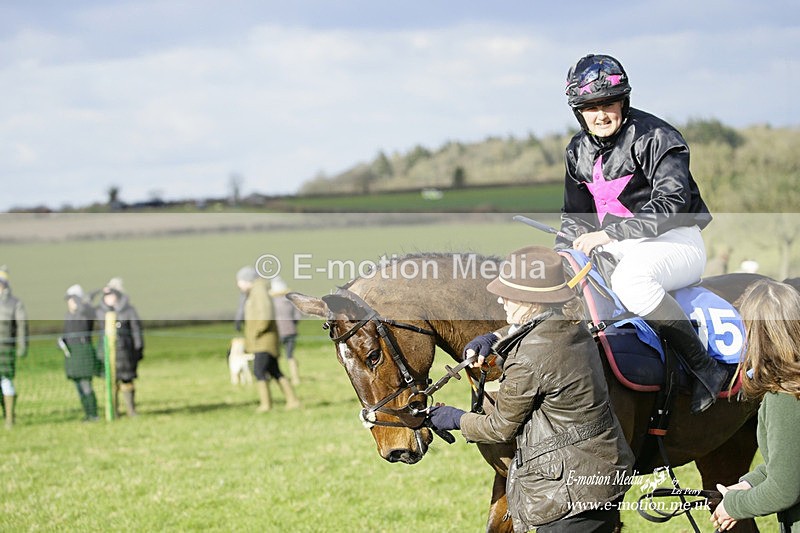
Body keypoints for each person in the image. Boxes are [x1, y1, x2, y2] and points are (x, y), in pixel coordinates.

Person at [556, 53, 726, 413]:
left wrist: (610, 234)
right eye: (590, 107)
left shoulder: (657, 136)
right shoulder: (577, 151)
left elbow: (673, 203)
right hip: (617, 251)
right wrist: (561, 254)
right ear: (578, 111)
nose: (600, 115)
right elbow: (574, 219)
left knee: (632, 281)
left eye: (608, 104)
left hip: (675, 243)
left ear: (623, 101)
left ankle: (704, 369)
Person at [428, 246, 634, 533]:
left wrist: (454, 418)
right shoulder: (573, 324)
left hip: (570, 493)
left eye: (509, 295)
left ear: (534, 301)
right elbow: (531, 332)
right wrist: (492, 338)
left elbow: (500, 428)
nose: (500, 300)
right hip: (602, 474)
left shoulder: (528, 359)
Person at [710, 279, 800, 532]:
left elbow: (784, 489)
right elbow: (790, 460)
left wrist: (734, 507)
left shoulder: (786, 396)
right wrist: (747, 484)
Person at [236, 267, 300, 412]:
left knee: (259, 371)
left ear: (247, 280)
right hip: (263, 339)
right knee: (274, 370)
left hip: (263, 340)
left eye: (239, 281)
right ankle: (292, 400)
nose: (238, 285)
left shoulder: (258, 292)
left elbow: (265, 313)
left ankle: (266, 405)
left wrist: (257, 331)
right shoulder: (255, 292)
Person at [96, 278, 143, 417]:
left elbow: (136, 330)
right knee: (111, 382)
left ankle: (131, 410)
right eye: (106, 295)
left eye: (111, 294)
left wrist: (138, 348)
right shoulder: (100, 312)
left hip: (126, 353)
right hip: (107, 352)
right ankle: (113, 411)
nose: (109, 298)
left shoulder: (128, 311)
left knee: (127, 380)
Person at [61, 284, 102, 422]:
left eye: (72, 299)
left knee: (86, 386)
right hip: (73, 355)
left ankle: (93, 414)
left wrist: (85, 299)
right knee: (79, 387)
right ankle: (87, 413)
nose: (70, 302)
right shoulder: (68, 316)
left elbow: (87, 309)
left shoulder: (85, 314)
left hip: (84, 354)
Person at [0, 266, 27, 429]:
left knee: (6, 381)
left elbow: (22, 326)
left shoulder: (15, 303)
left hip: (5, 348)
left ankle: (9, 418)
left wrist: (22, 345)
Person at [269, 276, 302, 386]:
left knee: (276, 356)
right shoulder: (290, 301)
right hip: (291, 331)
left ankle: (278, 378)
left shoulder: (271, 302)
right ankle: (296, 378)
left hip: (277, 332)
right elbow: (297, 317)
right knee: (290, 355)